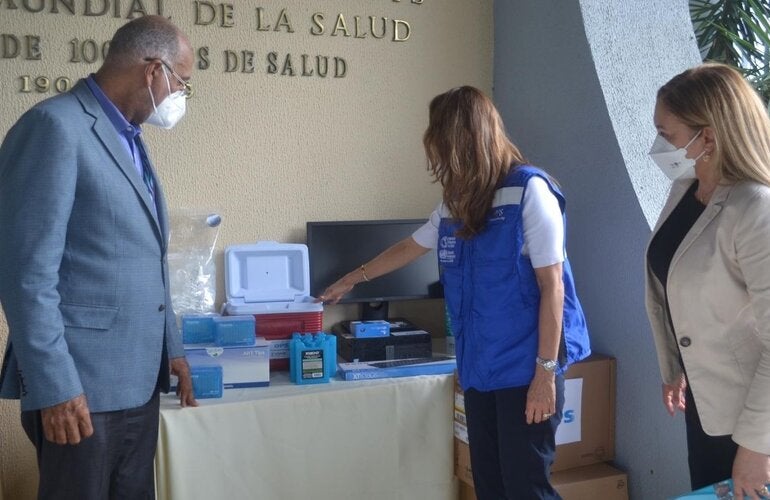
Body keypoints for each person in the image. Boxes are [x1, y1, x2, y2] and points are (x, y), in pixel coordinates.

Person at [319, 86, 591, 499]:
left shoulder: (529, 191)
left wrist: (544, 376)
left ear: (464, 140)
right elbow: (410, 247)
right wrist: (351, 279)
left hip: (526, 367)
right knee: (490, 484)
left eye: (441, 143)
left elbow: (553, 289)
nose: (437, 157)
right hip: (481, 369)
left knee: (526, 486)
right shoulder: (456, 202)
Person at [0, 15, 198, 499]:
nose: (181, 96)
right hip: (80, 388)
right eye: (182, 82)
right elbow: (26, 274)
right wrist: (55, 386)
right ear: (153, 71)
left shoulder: (130, 138)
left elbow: (145, 257)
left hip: (138, 381)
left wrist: (172, 348)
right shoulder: (54, 127)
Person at [645, 63, 770, 499]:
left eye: (668, 134)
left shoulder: (756, 210)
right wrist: (674, 366)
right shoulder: (684, 190)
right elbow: (671, 284)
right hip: (706, 403)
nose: (660, 146)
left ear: (709, 138)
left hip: (752, 420)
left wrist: (757, 447)